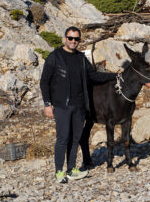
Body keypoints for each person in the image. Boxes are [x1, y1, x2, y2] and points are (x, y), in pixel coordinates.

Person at [40, 26, 117, 183]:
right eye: (70, 38)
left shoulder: (81, 58)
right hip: (62, 105)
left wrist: (115, 75)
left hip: (80, 106)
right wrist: (47, 104)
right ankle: (59, 172)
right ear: (65, 39)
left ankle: (71, 169)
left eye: (76, 39)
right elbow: (44, 82)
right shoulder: (55, 57)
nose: (73, 41)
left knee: (75, 138)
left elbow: (93, 75)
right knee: (63, 138)